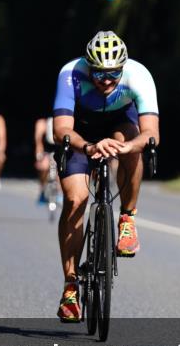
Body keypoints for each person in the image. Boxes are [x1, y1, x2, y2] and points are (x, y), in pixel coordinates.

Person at [52, 30, 160, 322]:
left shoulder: (139, 75)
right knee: (76, 199)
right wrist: (88, 147)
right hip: (80, 133)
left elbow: (151, 133)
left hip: (119, 125)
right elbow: (61, 129)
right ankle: (70, 286)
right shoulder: (71, 74)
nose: (107, 80)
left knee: (134, 146)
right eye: (99, 73)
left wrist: (127, 147)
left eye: (113, 73)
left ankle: (127, 219)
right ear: (89, 67)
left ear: (123, 67)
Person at [33, 116, 60, 205]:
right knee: (43, 166)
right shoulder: (41, 123)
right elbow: (38, 141)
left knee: (61, 168)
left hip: (59, 149)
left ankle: (60, 193)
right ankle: (42, 188)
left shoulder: (63, 121)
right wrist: (39, 156)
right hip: (46, 150)